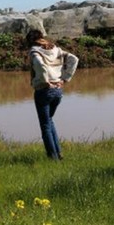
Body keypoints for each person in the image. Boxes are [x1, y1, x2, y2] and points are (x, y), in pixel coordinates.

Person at [25, 29, 79, 160]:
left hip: (44, 90)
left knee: (45, 125)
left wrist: (45, 81)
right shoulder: (56, 49)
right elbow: (74, 59)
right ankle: (58, 154)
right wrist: (65, 78)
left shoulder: (34, 51)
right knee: (49, 121)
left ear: (30, 41)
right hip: (58, 90)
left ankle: (53, 157)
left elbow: (40, 65)